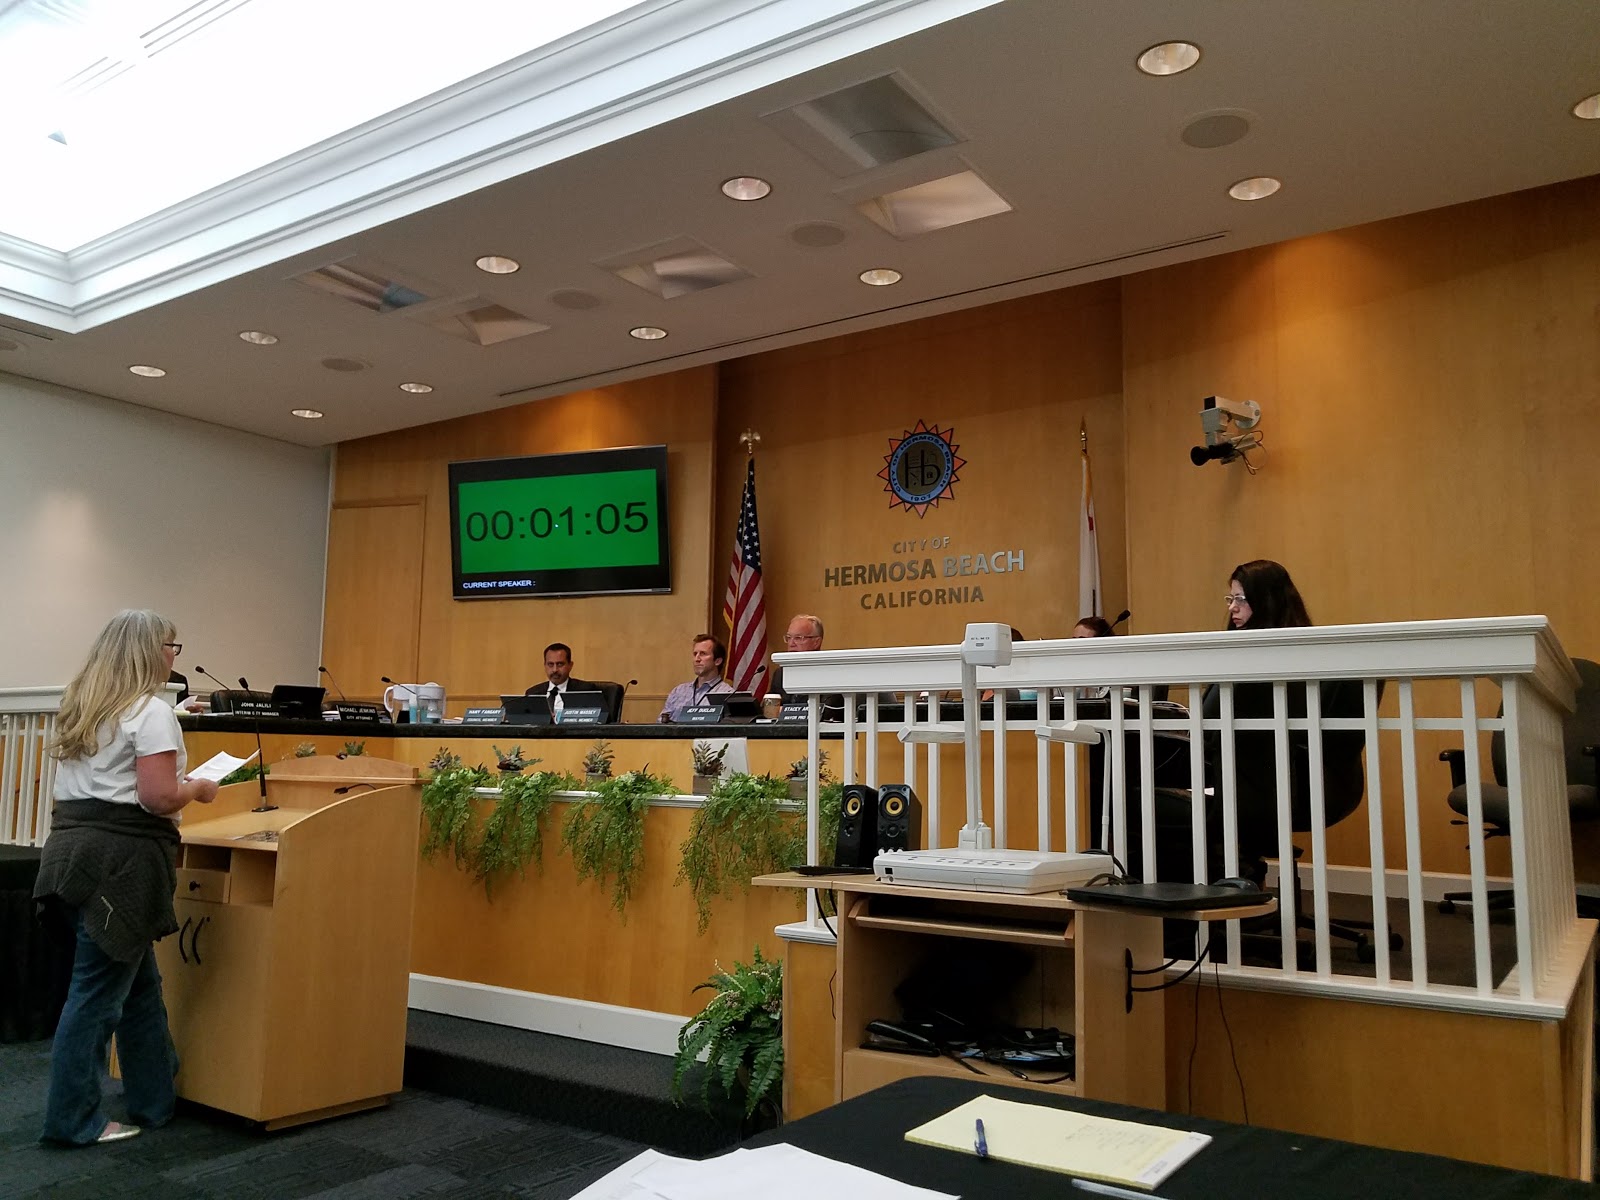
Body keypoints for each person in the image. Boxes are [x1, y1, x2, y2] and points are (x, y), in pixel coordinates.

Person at [33, 610, 218, 1146]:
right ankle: (72, 1121)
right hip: (122, 867)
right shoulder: (151, 713)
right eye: (171, 645)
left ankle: (154, 1102)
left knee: (137, 987)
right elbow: (158, 798)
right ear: (149, 650)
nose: (173, 655)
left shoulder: (84, 704)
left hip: (70, 858)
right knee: (95, 996)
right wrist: (198, 788)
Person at [658, 634, 734, 722]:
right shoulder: (678, 692)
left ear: (717, 661)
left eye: (703, 654)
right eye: (695, 654)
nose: (697, 659)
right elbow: (661, 723)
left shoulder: (728, 695)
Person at [524, 643, 598, 716]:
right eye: (550, 664)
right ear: (545, 665)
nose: (555, 670)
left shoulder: (585, 691)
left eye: (560, 664)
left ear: (570, 665)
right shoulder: (533, 693)